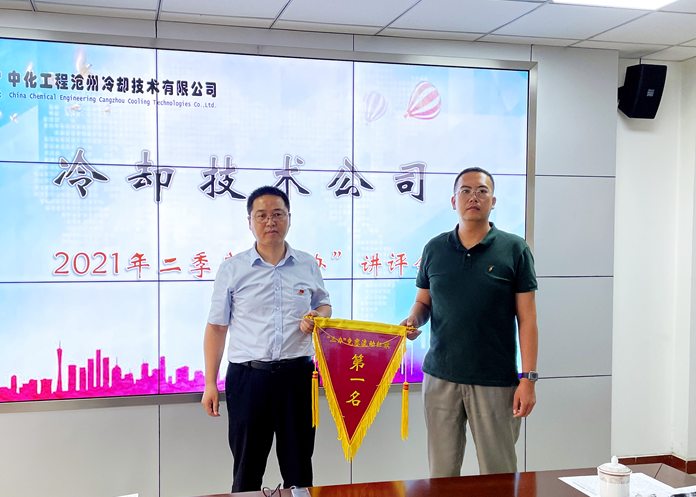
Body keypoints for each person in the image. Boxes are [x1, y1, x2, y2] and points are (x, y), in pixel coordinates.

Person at [401, 167, 538, 476]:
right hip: (440, 377)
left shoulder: (514, 249)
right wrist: (414, 319)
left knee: (498, 474)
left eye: (481, 191)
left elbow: (528, 319)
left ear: (493, 201)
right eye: (465, 191)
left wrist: (528, 379)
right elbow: (423, 302)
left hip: (495, 381)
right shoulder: (435, 248)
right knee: (442, 474)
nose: (473, 197)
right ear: (454, 201)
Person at [201, 185, 332, 492]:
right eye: (261, 215)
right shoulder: (232, 269)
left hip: (298, 377)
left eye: (278, 214)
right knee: (247, 470)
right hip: (249, 379)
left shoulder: (307, 264)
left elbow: (324, 305)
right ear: (250, 222)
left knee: (300, 470)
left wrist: (318, 316)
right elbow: (217, 328)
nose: (270, 221)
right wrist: (210, 383)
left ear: (289, 218)